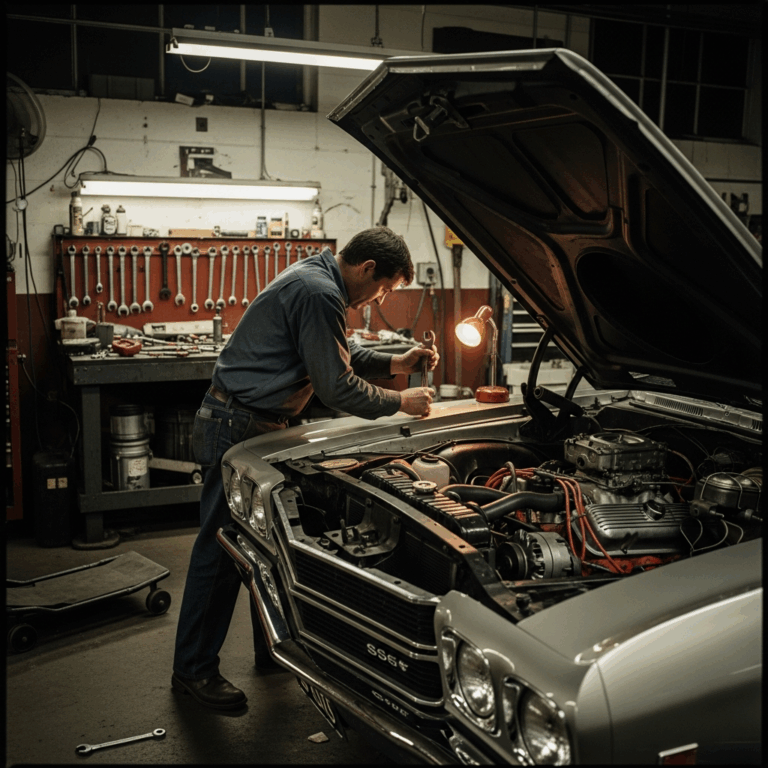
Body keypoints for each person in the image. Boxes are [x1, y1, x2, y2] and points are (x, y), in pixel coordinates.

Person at [171, 226, 439, 710]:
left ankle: (271, 650)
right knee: (222, 552)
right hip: (238, 425)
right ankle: (193, 670)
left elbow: (333, 354)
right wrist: (402, 400)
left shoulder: (318, 280)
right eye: (384, 290)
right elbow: (336, 386)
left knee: (264, 549)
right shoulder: (318, 292)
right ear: (367, 269)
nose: (379, 300)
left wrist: (397, 360)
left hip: (254, 424)